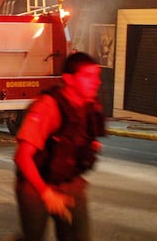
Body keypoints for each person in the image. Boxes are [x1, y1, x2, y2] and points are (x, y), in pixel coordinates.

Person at [14, 52, 105, 241]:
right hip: (36, 184)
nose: (96, 82)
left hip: (69, 183)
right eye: (88, 77)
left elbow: (79, 137)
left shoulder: (90, 106)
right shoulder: (48, 107)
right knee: (33, 237)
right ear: (69, 79)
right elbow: (23, 156)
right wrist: (46, 194)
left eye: (97, 77)